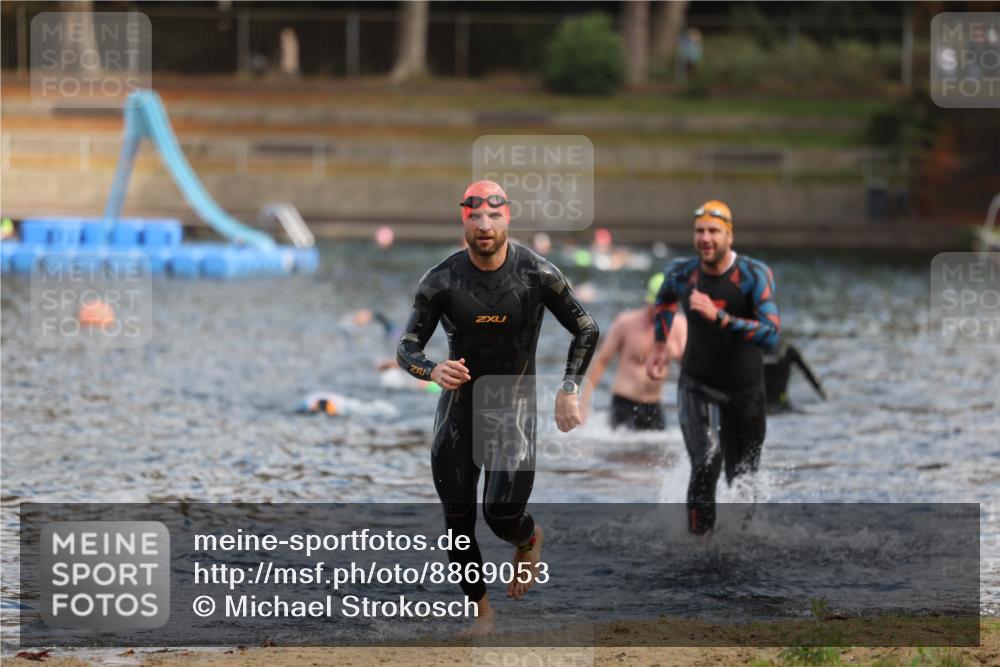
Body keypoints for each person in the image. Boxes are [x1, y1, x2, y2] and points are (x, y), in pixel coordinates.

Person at [396, 180, 599, 635]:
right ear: (463, 219)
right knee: (458, 520)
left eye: (493, 217)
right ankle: (483, 613)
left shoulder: (537, 274)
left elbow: (586, 328)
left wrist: (569, 389)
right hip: (458, 408)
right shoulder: (440, 280)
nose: (484, 226)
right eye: (475, 218)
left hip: (512, 406)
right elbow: (406, 347)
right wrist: (431, 371)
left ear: (508, 217)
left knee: (501, 514)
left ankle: (528, 537)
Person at [646, 200, 780, 535]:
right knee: (706, 458)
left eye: (713, 231)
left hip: (746, 392)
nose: (705, 238)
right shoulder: (682, 272)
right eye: (699, 231)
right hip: (697, 384)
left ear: (729, 236)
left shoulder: (753, 275)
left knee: (743, 479)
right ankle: (698, 545)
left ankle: (739, 543)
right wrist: (660, 346)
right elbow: (663, 300)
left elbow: (772, 335)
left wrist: (719, 317)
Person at [581, 273, 687, 431]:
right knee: (621, 454)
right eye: (656, 306)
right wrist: (583, 402)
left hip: (654, 405)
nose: (660, 313)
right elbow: (602, 360)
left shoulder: (679, 326)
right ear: (648, 301)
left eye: (665, 309)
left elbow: (691, 366)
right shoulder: (626, 322)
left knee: (657, 453)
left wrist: (677, 354)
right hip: (624, 403)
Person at [763, 341, 827, 413]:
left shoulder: (787, 350)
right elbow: (809, 374)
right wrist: (823, 396)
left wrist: (823, 396)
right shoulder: (754, 351)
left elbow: (808, 374)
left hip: (778, 404)